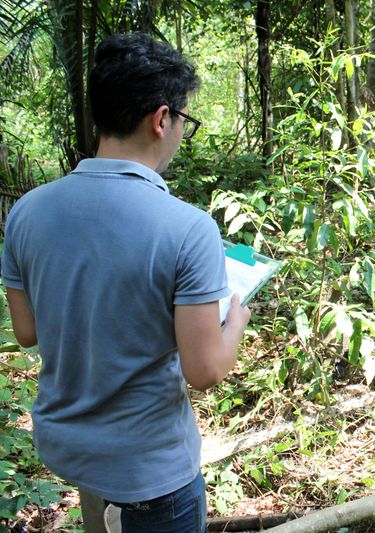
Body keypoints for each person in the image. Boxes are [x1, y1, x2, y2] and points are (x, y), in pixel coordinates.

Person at [1, 32, 251, 532]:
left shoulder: (27, 212)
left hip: (72, 449)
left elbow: (27, 332)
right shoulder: (187, 228)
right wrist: (236, 316)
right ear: (162, 119)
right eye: (184, 120)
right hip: (151, 472)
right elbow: (204, 371)